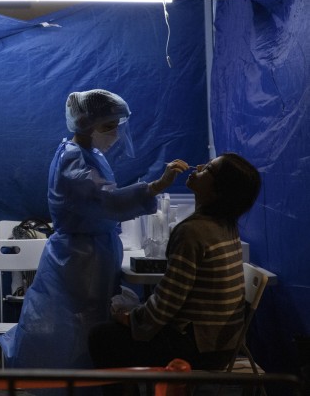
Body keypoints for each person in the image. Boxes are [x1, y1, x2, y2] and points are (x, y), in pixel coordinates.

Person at [0, 89, 184, 370]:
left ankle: (89, 381)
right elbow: (106, 200)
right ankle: (75, 384)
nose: (115, 135)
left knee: (89, 324)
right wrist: (156, 186)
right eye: (108, 127)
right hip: (80, 260)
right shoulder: (74, 160)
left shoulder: (88, 153)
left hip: (91, 254)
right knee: (78, 328)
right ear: (85, 122)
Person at [88, 153, 262, 375]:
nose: (197, 167)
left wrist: (131, 319)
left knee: (101, 337)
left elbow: (167, 304)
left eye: (208, 168)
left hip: (199, 350)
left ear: (219, 190)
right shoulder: (226, 226)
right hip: (225, 344)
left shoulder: (193, 232)